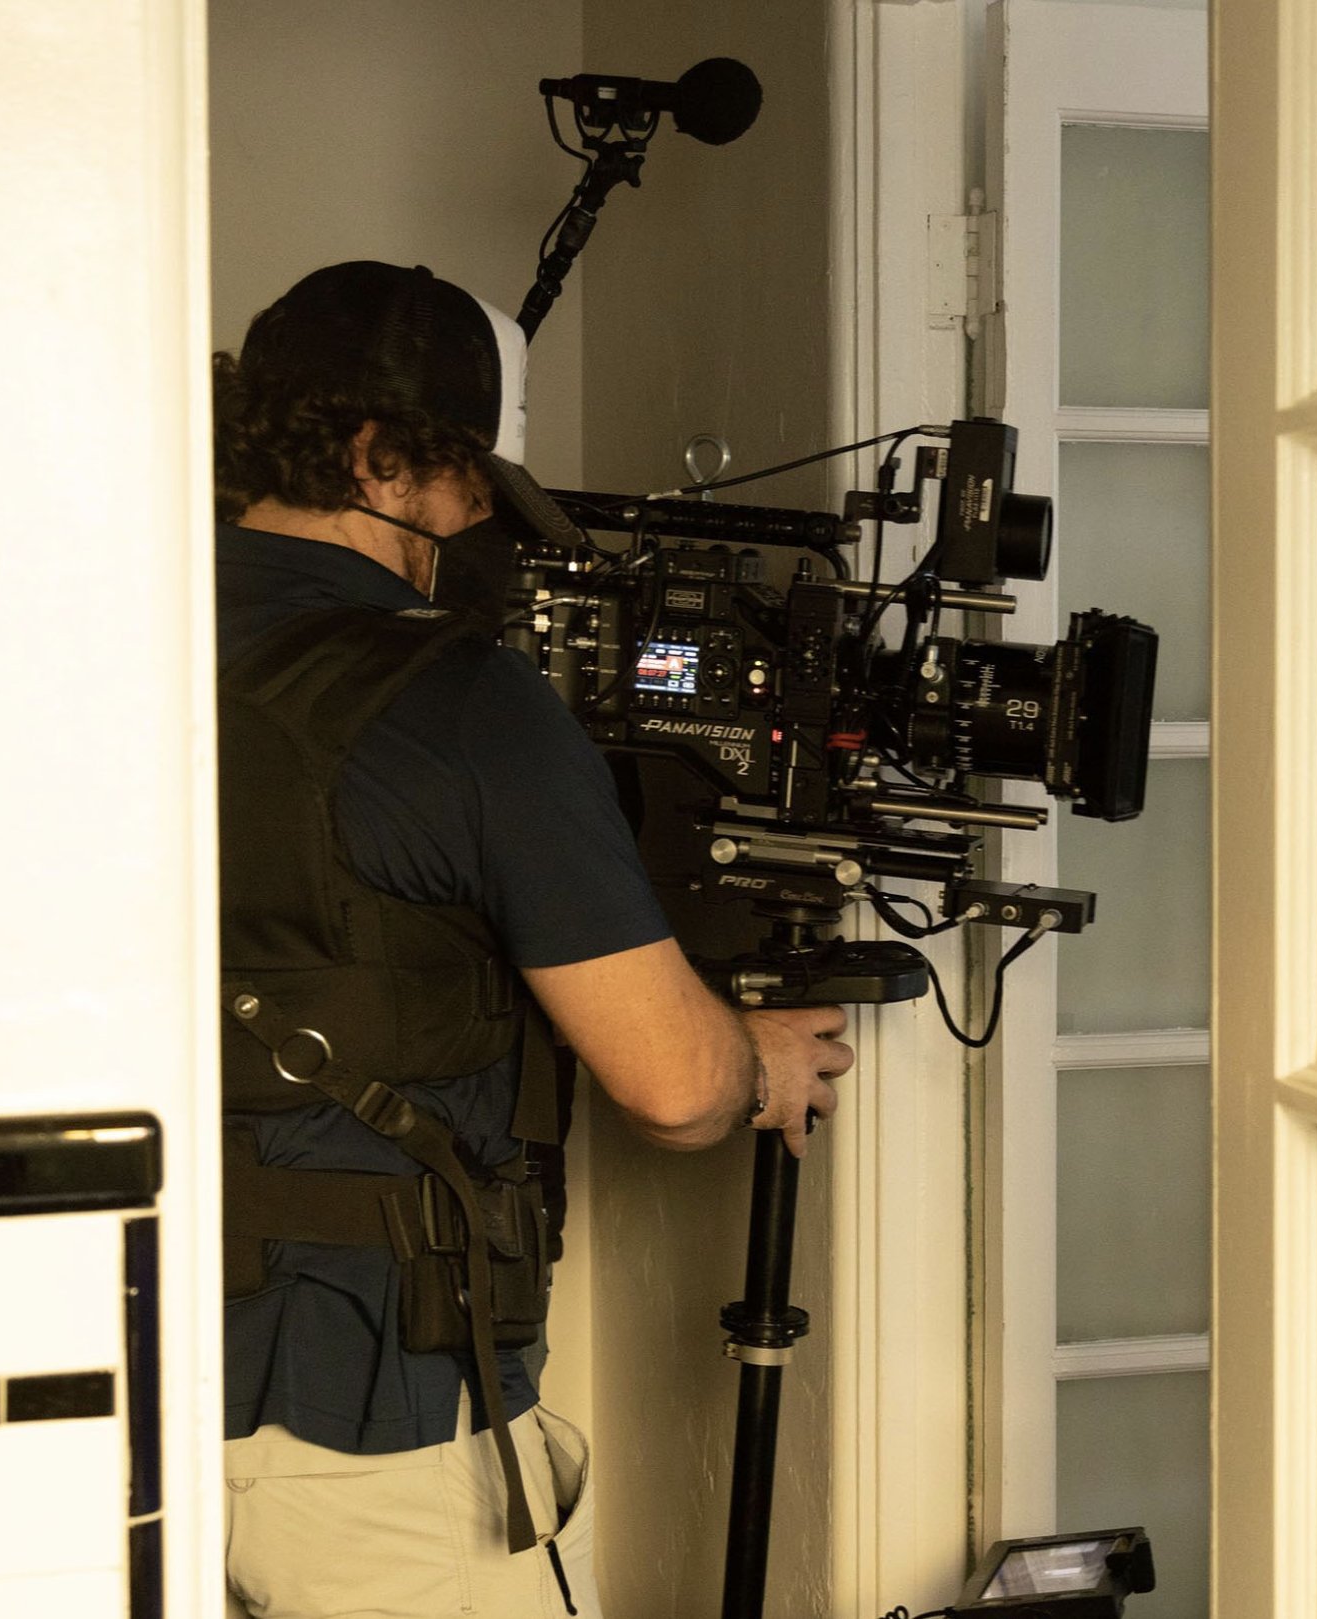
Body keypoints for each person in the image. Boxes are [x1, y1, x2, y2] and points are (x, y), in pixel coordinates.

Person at [213, 259, 854, 1619]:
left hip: (123, 1380)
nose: (469, 529)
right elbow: (675, 1093)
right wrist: (755, 1056)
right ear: (382, 462)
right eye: (462, 487)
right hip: (374, 1421)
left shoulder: (100, 637)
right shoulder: (468, 704)